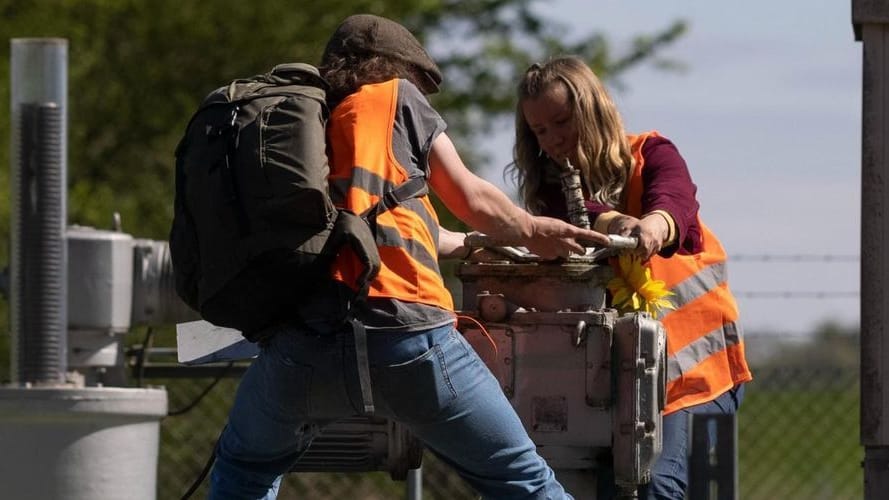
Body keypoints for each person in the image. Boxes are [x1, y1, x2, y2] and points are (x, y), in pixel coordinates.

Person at [208, 16, 611, 500]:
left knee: (243, 470)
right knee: (520, 480)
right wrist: (533, 231)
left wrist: (471, 243)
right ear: (396, 69)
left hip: (308, 342)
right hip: (409, 336)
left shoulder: (310, 124)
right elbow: (471, 197)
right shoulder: (395, 96)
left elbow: (388, 224)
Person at [510, 56, 753, 499]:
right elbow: (584, 219)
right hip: (614, 387)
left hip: (696, 377)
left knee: (654, 485)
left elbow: (675, 201)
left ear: (592, 110)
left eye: (562, 121)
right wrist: (618, 225)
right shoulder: (552, 197)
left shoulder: (654, 154)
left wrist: (654, 227)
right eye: (540, 131)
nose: (554, 140)